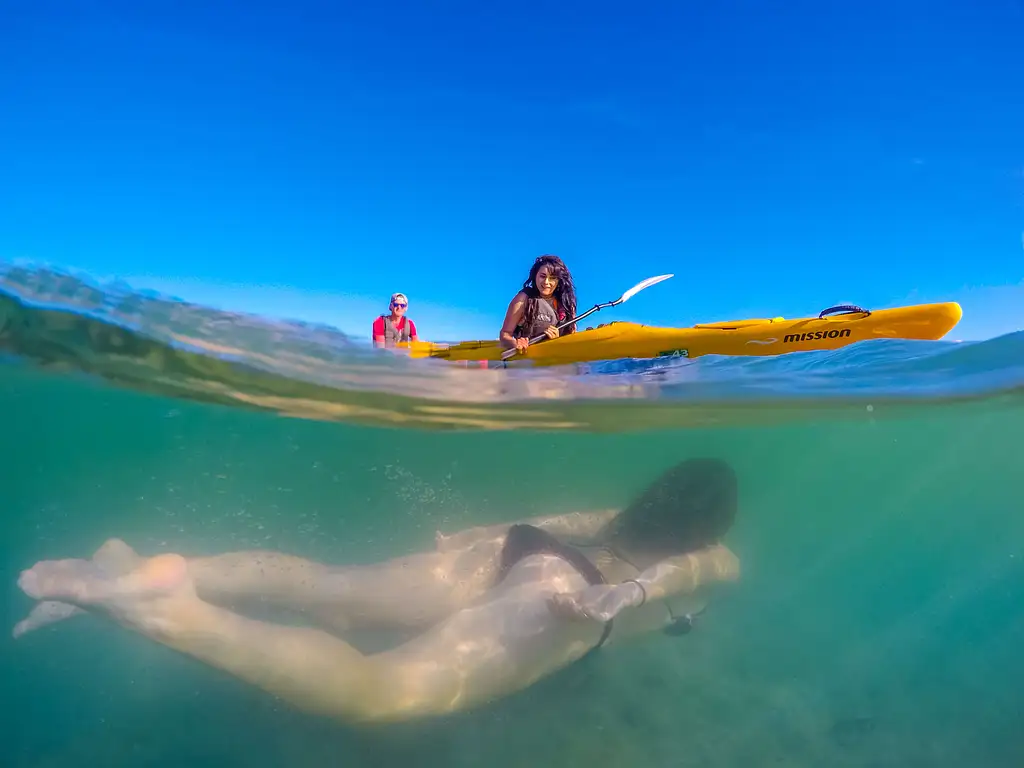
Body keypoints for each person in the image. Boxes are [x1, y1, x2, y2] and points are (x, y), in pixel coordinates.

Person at [13, 458, 741, 726]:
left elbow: (555, 523)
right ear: (713, 521)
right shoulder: (716, 555)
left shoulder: (617, 516)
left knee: (331, 589)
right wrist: (630, 595)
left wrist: (475, 534)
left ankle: (137, 567)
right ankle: (168, 612)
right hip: (572, 596)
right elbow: (689, 572)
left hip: (522, 551)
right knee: (381, 691)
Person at [499, 254, 578, 354]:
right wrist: (516, 344)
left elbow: (572, 337)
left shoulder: (567, 305)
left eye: (552, 278)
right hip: (527, 360)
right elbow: (504, 335)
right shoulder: (523, 298)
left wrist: (557, 340)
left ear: (559, 281)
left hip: (557, 359)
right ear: (535, 276)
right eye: (542, 276)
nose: (546, 282)